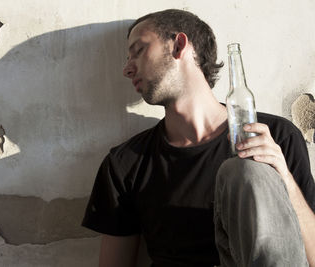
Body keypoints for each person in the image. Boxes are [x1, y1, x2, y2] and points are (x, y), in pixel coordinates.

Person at [82, 9, 315, 267]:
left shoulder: (275, 137)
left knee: (246, 172)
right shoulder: (126, 163)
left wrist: (283, 179)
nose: (127, 68)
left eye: (138, 50)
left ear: (179, 45)